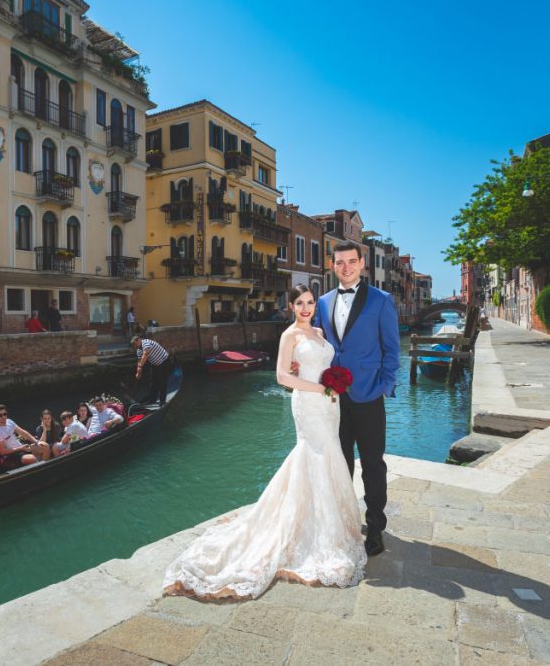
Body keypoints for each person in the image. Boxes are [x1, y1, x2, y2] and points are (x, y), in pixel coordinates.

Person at [162, 284, 366, 599]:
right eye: (299, 303)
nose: (306, 308)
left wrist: (335, 381)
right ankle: (307, 531)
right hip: (310, 404)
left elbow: (325, 366)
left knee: (331, 455)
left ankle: (329, 526)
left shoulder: (321, 335)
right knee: (311, 455)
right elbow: (282, 377)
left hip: (330, 405)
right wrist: (320, 389)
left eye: (310, 302)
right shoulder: (290, 336)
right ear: (291, 306)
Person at [315, 241, 399, 557]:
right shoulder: (322, 303)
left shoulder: (381, 300)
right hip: (333, 399)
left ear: (362, 263)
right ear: (333, 266)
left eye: (352, 261)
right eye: (340, 262)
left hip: (368, 396)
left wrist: (383, 387)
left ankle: (375, 528)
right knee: (340, 465)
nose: (346, 267)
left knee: (373, 466)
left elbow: (392, 350)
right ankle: (344, 522)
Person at [132, 335, 173, 404]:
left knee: (162, 382)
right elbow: (139, 361)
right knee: (154, 383)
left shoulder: (146, 343)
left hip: (164, 362)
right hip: (155, 364)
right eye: (134, 345)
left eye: (135, 344)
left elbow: (146, 353)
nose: (135, 346)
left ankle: (162, 401)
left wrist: (140, 367)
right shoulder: (139, 350)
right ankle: (152, 400)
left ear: (139, 340)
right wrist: (138, 372)